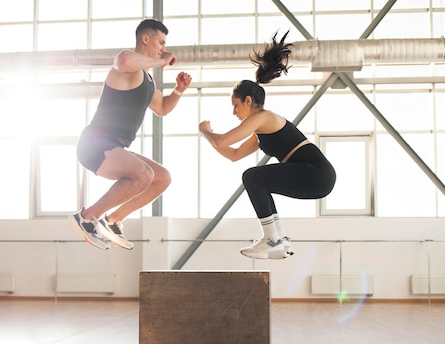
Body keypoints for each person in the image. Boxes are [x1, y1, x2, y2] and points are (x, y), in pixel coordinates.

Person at [198, 31, 336, 260]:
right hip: (317, 179)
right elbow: (233, 154)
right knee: (255, 179)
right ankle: (278, 239)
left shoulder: (263, 117)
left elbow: (223, 141)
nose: (234, 112)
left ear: (249, 101)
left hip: (317, 174)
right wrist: (210, 136)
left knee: (253, 177)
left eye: (235, 105)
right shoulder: (261, 130)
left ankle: (272, 239)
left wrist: (207, 132)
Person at [69, 19, 192, 250]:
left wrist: (179, 90)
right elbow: (124, 61)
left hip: (114, 146)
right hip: (94, 144)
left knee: (161, 178)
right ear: (145, 39)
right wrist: (161, 61)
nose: (164, 48)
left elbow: (163, 108)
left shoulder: (146, 78)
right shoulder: (126, 64)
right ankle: (86, 217)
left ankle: (113, 220)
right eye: (161, 42)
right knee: (143, 175)